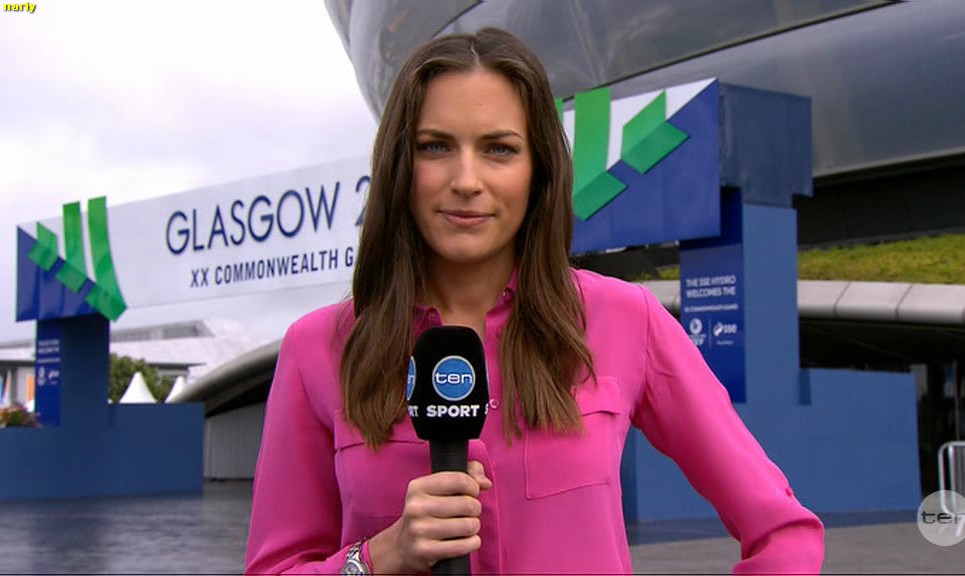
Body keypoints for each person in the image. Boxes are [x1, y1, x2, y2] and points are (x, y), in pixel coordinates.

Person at [245, 26, 824, 575]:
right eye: (435, 146)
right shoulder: (317, 348)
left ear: (538, 170)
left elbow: (783, 531)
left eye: (499, 149)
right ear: (400, 165)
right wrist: (379, 556)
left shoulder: (626, 319)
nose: (466, 180)